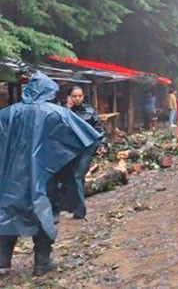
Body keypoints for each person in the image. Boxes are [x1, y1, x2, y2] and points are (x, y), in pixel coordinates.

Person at [0, 72, 103, 276]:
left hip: (11, 177)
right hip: (44, 175)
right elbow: (87, 137)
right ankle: (42, 262)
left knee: (8, 212)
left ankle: (2, 258)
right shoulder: (57, 113)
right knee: (42, 214)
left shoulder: (7, 114)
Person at [66, 86, 106, 153]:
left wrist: (102, 143)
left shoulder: (90, 111)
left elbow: (98, 128)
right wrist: (68, 109)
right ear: (69, 97)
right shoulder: (62, 110)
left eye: (80, 96)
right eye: (74, 96)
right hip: (68, 147)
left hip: (86, 146)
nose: (77, 98)